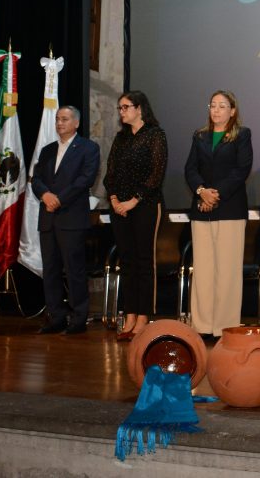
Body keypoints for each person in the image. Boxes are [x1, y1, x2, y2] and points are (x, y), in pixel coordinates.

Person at [184, 90, 253, 338]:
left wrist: (214, 194)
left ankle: (223, 326)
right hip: (201, 208)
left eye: (222, 106)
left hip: (230, 210)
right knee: (202, 270)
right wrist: (202, 191)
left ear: (232, 111)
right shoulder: (199, 135)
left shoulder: (242, 135)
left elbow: (241, 170)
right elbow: (190, 169)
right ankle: (202, 326)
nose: (216, 110)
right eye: (213, 105)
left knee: (227, 271)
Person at [103, 91, 168, 341]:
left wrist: (133, 201)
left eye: (126, 107)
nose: (122, 112)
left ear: (140, 108)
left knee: (143, 260)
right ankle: (129, 314)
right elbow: (110, 174)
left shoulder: (155, 135)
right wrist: (115, 200)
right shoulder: (121, 139)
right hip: (120, 206)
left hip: (146, 205)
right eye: (119, 108)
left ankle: (143, 316)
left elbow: (156, 173)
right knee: (127, 261)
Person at [31, 105, 101, 335]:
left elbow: (85, 179)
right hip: (48, 218)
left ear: (76, 123)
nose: (60, 123)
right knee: (50, 270)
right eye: (58, 119)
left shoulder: (88, 148)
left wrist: (59, 199)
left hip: (71, 217)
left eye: (65, 119)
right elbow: (37, 178)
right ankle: (56, 317)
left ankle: (79, 318)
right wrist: (45, 195)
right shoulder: (48, 150)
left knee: (74, 270)